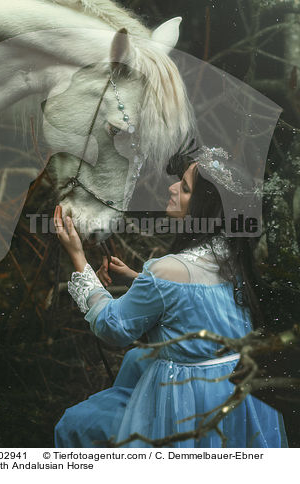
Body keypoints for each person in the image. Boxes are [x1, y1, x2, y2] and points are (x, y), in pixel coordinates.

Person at [53, 146, 287, 448]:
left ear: (203, 207)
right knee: (138, 361)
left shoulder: (167, 271)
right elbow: (203, 303)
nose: (173, 188)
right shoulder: (232, 253)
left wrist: (78, 258)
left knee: (77, 424)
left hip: (190, 401)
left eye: (185, 188)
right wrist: (140, 279)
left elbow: (113, 327)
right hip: (237, 389)